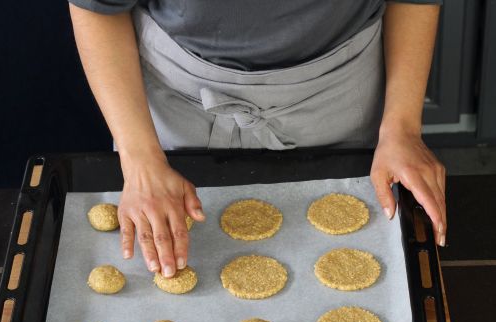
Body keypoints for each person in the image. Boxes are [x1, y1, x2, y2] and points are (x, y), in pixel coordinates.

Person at [68, 0, 447, 278]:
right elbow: (97, 8)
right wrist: (141, 161)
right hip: (172, 114)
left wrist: (402, 128)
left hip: (337, 101)